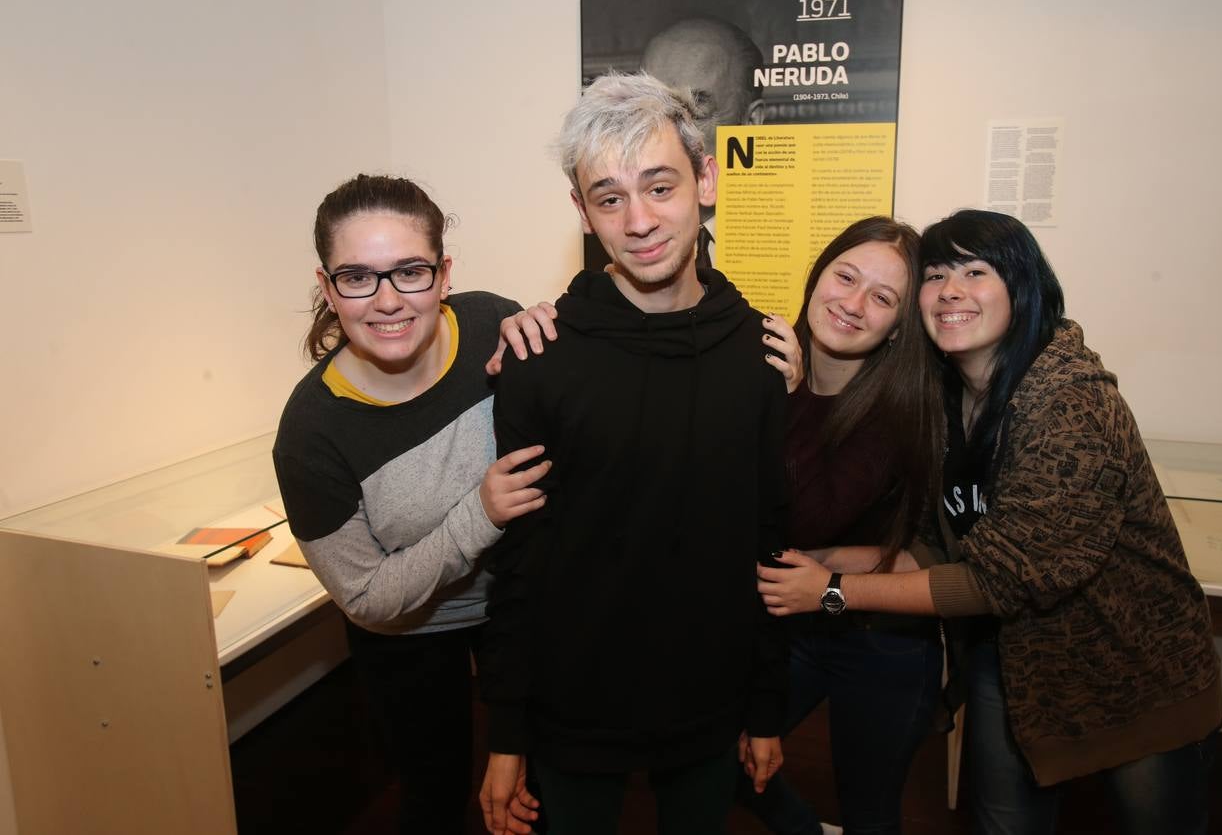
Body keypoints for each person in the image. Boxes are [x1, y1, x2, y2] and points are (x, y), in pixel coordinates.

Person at [758, 209, 1222, 835]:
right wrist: (832, 563)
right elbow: (939, 545)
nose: (951, 290)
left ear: (1022, 289)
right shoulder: (946, 396)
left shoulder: (1069, 404)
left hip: (1130, 671)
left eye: (976, 272)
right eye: (937, 275)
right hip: (1011, 662)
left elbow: (1000, 578)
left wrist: (834, 590)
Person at [490, 215, 946, 835]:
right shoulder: (763, 349)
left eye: (883, 297)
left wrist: (789, 398)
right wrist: (536, 320)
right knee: (738, 770)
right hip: (780, 615)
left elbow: (801, 517)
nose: (854, 303)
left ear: (899, 325)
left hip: (876, 638)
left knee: (867, 805)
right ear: (818, 276)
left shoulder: (890, 405)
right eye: (845, 276)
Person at [476, 72, 789, 835]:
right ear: (581, 211)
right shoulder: (540, 358)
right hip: (575, 705)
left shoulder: (760, 356)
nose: (640, 220)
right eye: (609, 198)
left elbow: (768, 544)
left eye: (659, 187)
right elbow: (520, 564)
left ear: (705, 181)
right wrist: (507, 735)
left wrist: (766, 707)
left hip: (711, 699)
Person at [272, 174, 549, 835]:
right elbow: (366, 597)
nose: (388, 299)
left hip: (522, 602)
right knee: (434, 792)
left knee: (540, 785)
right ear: (327, 287)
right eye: (357, 277)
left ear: (445, 275)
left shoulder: (492, 326)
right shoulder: (310, 433)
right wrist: (482, 512)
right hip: (411, 631)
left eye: (410, 271)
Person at [636, 16, 765, 269]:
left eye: (694, 112)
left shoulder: (783, 234)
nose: (664, 135)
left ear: (751, 122)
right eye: (648, 111)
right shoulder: (615, 237)